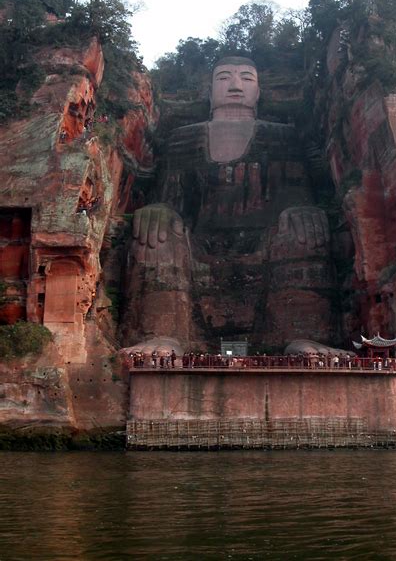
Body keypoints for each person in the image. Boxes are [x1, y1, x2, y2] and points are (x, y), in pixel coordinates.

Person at [124, 57, 333, 352]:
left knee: (303, 229)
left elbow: (297, 195)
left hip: (267, 242)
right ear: (210, 93)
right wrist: (159, 210)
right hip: (196, 245)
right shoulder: (182, 138)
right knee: (155, 231)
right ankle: (164, 335)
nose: (235, 85)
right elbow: (171, 199)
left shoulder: (282, 136)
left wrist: (304, 210)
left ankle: (301, 337)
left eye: (247, 79)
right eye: (224, 78)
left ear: (259, 93)